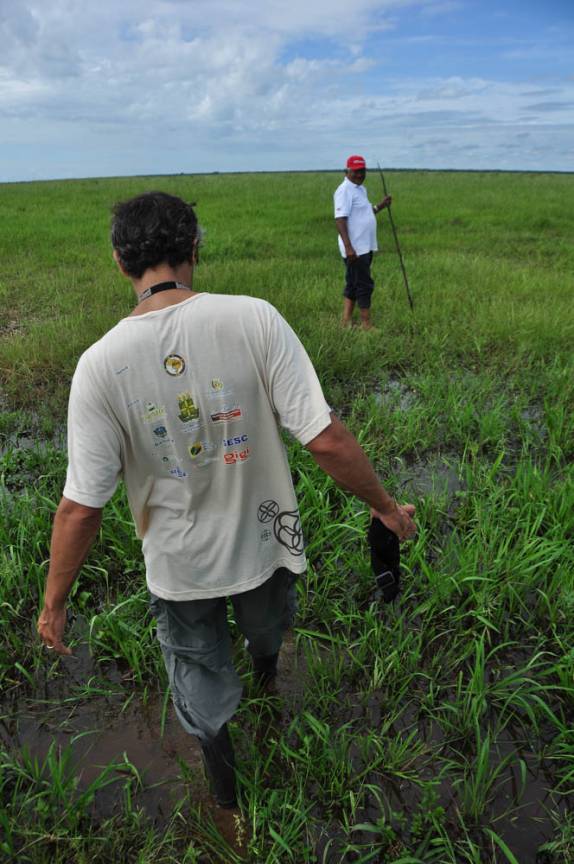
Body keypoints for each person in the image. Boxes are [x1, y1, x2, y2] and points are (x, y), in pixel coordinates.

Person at [37, 191, 416, 828]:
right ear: (194, 249)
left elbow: (80, 508)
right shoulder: (255, 319)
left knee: (202, 689)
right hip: (267, 545)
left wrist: (54, 602)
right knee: (266, 632)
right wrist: (385, 509)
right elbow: (325, 437)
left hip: (179, 571)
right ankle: (267, 680)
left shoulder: (98, 365)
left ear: (119, 262)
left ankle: (228, 806)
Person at [334, 154, 392, 330]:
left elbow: (364, 214)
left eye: (362, 171)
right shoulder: (344, 190)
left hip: (365, 246)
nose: (360, 174)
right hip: (356, 249)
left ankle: (346, 321)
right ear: (347, 171)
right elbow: (340, 219)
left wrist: (380, 206)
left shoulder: (360, 189)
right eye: (356, 171)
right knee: (364, 284)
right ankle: (366, 324)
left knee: (353, 283)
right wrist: (349, 247)